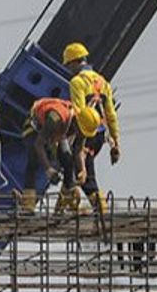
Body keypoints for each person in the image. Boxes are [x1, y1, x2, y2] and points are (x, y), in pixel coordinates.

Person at [62, 42, 120, 217]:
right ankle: (68, 201)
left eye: (68, 64)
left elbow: (79, 111)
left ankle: (102, 215)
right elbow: (111, 115)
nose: (68, 68)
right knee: (73, 169)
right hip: (101, 134)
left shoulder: (77, 82)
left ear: (74, 62)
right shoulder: (103, 82)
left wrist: (76, 138)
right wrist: (116, 142)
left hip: (86, 133)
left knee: (84, 173)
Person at [19, 98, 82, 212]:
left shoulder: (81, 123)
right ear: (75, 122)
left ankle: (68, 199)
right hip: (35, 128)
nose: (77, 133)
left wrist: (82, 170)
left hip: (57, 132)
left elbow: (78, 150)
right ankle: (28, 203)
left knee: (68, 161)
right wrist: (48, 169)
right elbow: (39, 144)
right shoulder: (55, 118)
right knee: (33, 158)